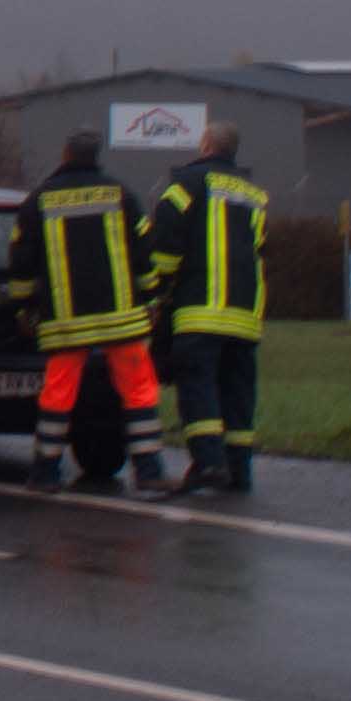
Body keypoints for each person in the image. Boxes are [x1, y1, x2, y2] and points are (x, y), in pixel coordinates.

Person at [0, 129, 175, 491]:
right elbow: (144, 253)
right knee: (139, 391)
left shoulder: (39, 200)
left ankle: (45, 472)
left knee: (58, 396)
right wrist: (153, 298)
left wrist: (24, 309)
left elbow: (21, 262)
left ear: (65, 154)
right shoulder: (121, 194)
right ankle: (150, 471)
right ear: (96, 156)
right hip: (121, 320)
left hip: (67, 323)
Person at [140, 120, 269, 494]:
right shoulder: (254, 193)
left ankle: (209, 464)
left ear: (206, 145)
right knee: (238, 394)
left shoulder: (185, 185)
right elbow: (259, 246)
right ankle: (239, 471)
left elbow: (164, 247)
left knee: (198, 388)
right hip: (245, 315)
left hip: (199, 311)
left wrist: (158, 291)